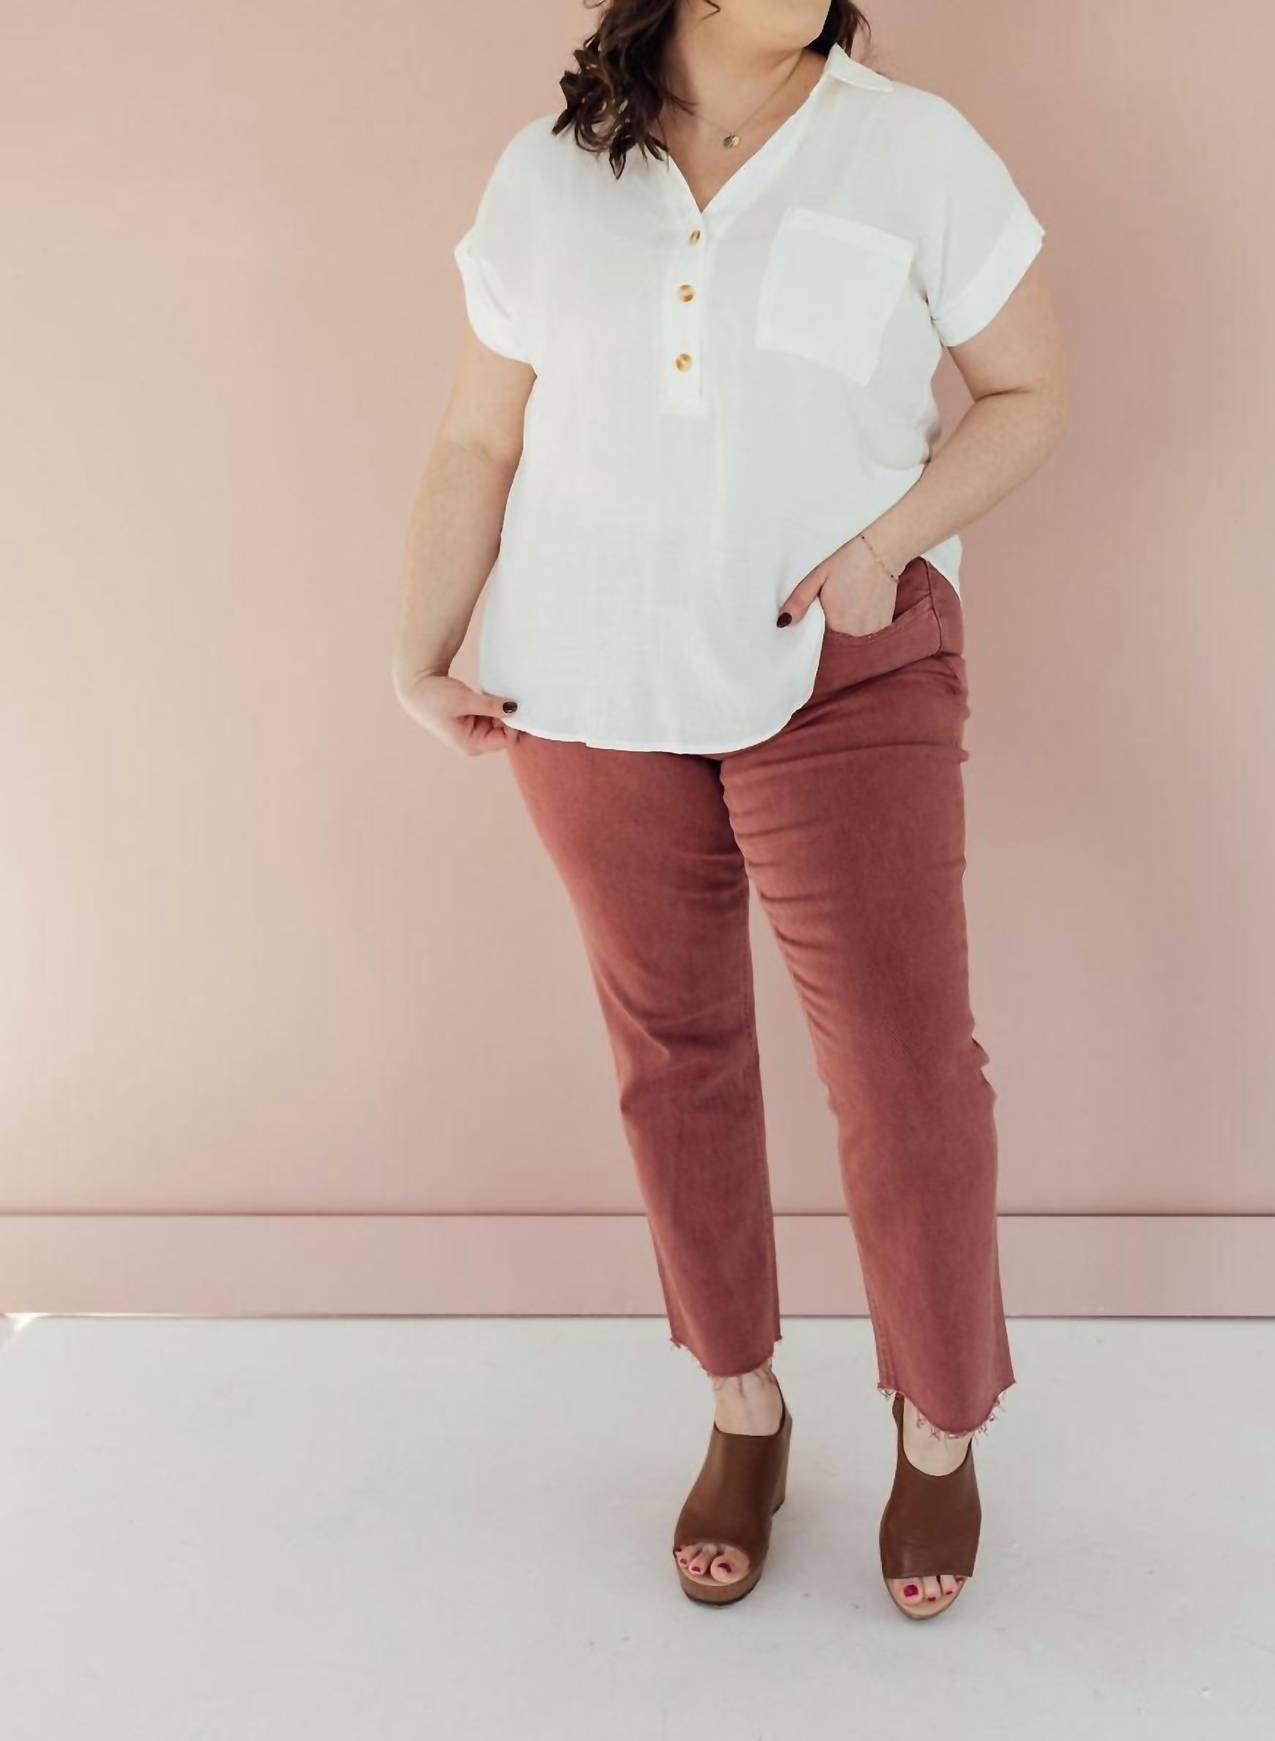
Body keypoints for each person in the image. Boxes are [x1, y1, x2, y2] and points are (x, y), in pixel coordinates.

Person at [392, 0, 1068, 1620]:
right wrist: (419, 645)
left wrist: (885, 546)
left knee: (906, 1068)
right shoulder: (551, 174)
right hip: (588, 685)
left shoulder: (912, 149)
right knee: (673, 1060)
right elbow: (480, 433)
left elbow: (1030, 390)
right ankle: (742, 1407)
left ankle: (938, 1416)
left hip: (842, 663)